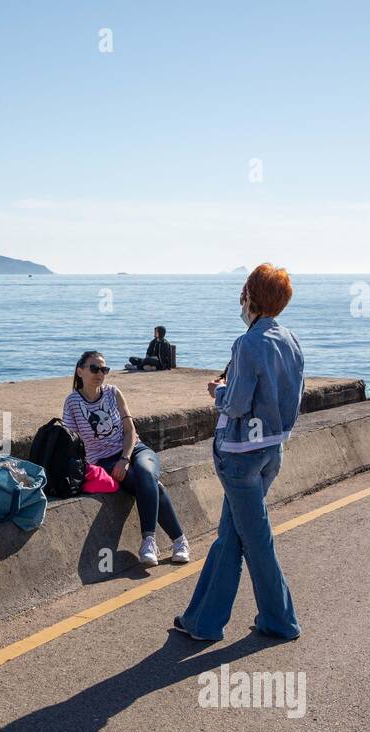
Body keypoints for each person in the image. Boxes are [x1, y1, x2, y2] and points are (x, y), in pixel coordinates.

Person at [174, 263, 304, 643]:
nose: (241, 299)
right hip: (271, 452)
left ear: (252, 297)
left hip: (240, 454)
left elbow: (236, 403)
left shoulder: (247, 343)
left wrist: (217, 392)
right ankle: (202, 620)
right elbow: (290, 397)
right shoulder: (291, 340)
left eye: (243, 292)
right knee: (231, 534)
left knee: (255, 540)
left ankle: (281, 620)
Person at [62, 351, 190, 567]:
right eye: (94, 368)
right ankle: (179, 541)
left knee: (147, 473)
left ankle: (149, 540)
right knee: (152, 485)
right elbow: (70, 441)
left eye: (104, 369)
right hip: (103, 462)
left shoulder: (113, 392)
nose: (100, 373)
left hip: (134, 450)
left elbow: (130, 432)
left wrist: (125, 458)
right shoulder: (73, 402)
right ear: (80, 371)